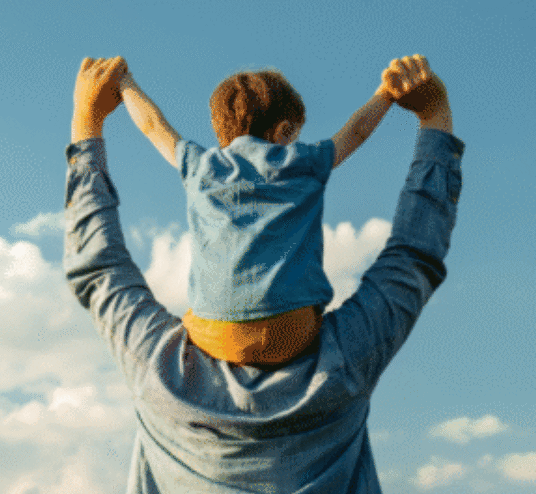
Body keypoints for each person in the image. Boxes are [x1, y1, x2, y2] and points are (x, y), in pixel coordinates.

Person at [64, 55, 463, 494]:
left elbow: (98, 265)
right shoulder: (347, 360)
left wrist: (88, 125)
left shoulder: (157, 370)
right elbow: (414, 256)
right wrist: (433, 122)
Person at [117, 64, 404, 367]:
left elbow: (152, 125)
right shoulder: (303, 161)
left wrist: (125, 83)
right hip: (292, 331)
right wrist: (386, 94)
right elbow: (356, 131)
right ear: (284, 130)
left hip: (217, 334)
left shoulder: (201, 165)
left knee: (191, 321)